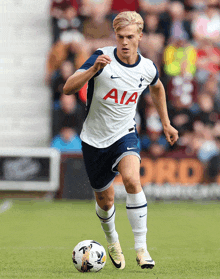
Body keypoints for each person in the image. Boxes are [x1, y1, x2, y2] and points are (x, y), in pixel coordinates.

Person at [63, 11, 178, 270]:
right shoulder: (101, 57)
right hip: (94, 140)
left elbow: (157, 87)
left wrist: (166, 122)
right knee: (105, 201)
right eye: (119, 37)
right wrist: (93, 70)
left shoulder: (147, 67)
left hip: (124, 134)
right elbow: (69, 88)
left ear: (139, 36)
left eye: (129, 36)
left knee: (132, 180)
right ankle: (112, 240)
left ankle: (141, 248)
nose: (124, 42)